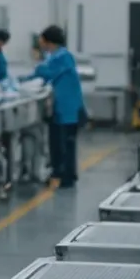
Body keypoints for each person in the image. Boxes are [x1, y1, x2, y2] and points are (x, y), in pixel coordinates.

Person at [34, 24, 84, 188]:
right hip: (65, 108)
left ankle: (64, 176)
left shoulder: (61, 57)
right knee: (63, 143)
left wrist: (20, 82)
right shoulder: (58, 56)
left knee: (63, 144)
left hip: (66, 109)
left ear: (49, 41)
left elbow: (45, 73)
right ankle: (65, 174)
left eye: (42, 40)